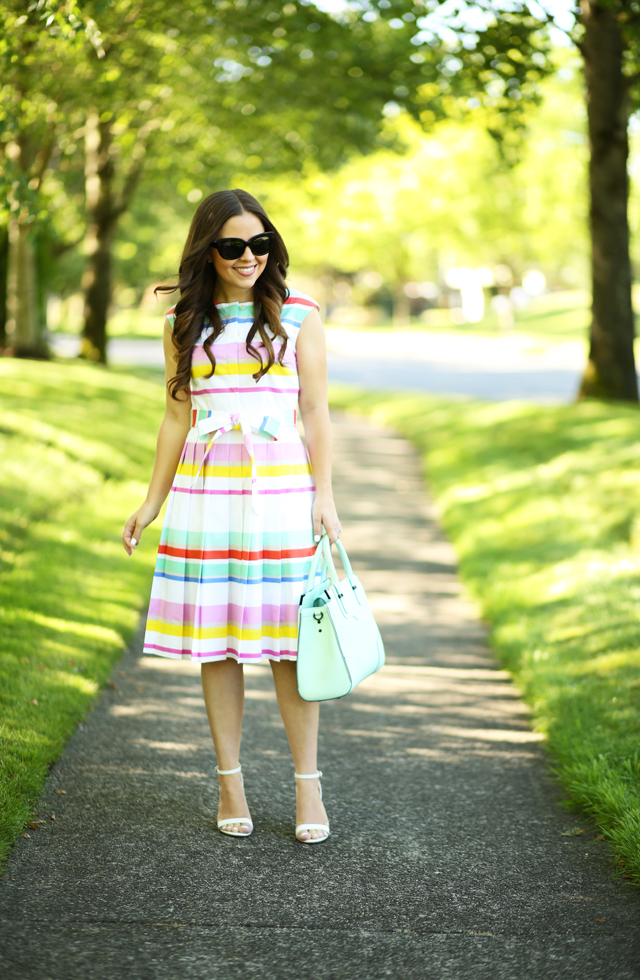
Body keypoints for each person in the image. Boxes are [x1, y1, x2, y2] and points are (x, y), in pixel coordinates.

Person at [122, 189, 340, 844]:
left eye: (260, 244)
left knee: (288, 645)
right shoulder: (183, 323)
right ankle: (230, 783)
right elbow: (176, 416)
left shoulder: (299, 317)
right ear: (207, 252)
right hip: (206, 496)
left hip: (279, 496)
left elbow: (316, 413)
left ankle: (308, 788)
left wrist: (323, 496)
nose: (248, 257)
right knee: (217, 645)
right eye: (233, 246)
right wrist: (151, 501)